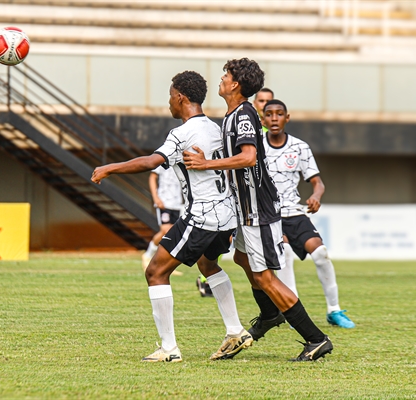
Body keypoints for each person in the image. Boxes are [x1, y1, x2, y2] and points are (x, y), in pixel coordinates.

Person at [92, 71, 253, 362]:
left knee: (155, 272)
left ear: (180, 97)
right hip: (227, 214)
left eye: (170, 96)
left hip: (202, 214)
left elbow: (151, 162)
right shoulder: (215, 128)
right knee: (207, 263)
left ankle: (169, 349)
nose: (169, 102)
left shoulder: (182, 133)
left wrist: (109, 168)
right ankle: (235, 331)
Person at [184, 58, 333, 362]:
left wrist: (206, 164)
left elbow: (249, 157)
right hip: (245, 210)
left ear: (236, 84)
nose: (221, 80)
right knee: (241, 258)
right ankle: (269, 315)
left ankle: (316, 339)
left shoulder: (243, 116)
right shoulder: (233, 116)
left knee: (265, 278)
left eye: (225, 75)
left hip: (257, 211)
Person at [262, 99, 355, 329]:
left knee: (321, 253)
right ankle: (294, 313)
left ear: (287, 118)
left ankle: (334, 310)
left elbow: (318, 182)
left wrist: (316, 196)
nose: (274, 118)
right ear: (263, 119)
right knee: (283, 256)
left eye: (279, 114)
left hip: (294, 213)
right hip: (270, 215)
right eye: (269, 114)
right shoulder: (255, 148)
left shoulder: (299, 147)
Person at [142, 165, 183, 275]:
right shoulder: (164, 157)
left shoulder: (181, 159)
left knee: (172, 234)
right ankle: (147, 255)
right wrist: (156, 197)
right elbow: (152, 177)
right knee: (166, 230)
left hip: (177, 203)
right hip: (164, 201)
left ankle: (164, 264)